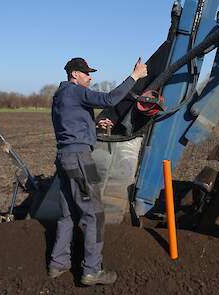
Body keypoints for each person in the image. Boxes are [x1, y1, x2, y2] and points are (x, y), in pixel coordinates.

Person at [49, 57, 147, 285]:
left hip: (64, 159)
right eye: (86, 73)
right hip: (81, 161)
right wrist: (135, 75)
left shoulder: (60, 95)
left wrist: (93, 126)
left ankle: (58, 263)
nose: (90, 77)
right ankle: (92, 270)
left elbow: (69, 125)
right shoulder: (75, 91)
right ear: (74, 74)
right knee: (94, 214)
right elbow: (109, 99)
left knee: (67, 215)